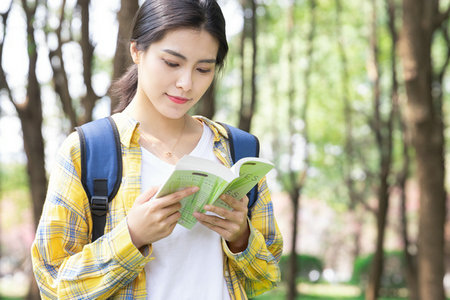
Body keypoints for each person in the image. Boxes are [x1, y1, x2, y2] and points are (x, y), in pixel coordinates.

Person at [31, 0, 283, 299]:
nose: (186, 83)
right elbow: (53, 285)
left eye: (203, 69)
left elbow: (266, 277)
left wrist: (241, 238)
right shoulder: (88, 150)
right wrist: (133, 236)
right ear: (136, 50)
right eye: (172, 63)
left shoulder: (236, 150)